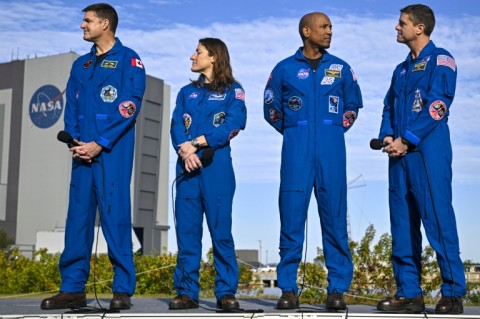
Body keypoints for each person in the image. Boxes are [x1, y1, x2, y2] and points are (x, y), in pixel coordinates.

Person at [41, 3, 146, 311]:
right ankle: (72, 288)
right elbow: (70, 107)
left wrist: (100, 142)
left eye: (87, 21)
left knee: (115, 217)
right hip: (81, 154)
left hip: (111, 153)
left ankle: (122, 290)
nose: (82, 26)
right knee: (78, 220)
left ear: (105, 23)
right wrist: (74, 141)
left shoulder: (129, 60)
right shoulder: (81, 65)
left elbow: (130, 106)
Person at [263, 12, 362, 311]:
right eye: (324, 26)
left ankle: (337, 290)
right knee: (291, 220)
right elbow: (271, 107)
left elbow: (353, 104)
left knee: (335, 220)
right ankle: (289, 290)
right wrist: (295, 131)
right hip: (296, 150)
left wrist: (330, 130)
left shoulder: (341, 68)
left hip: (332, 150)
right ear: (306, 31)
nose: (330, 31)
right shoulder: (284, 69)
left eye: (331, 26)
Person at [376, 4, 465, 315]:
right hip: (398, 155)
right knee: (402, 224)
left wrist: (408, 139)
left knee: (438, 220)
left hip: (427, 152)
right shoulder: (400, 70)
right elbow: (388, 106)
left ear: (420, 28)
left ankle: (453, 293)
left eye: (402, 23)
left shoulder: (442, 60)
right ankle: (409, 293)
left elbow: (438, 104)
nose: (396, 28)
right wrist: (388, 134)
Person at [169, 38, 247, 311]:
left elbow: (235, 123)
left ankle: (225, 293)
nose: (192, 56)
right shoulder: (185, 93)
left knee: (221, 233)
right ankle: (187, 292)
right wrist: (186, 152)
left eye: (198, 52)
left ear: (213, 57)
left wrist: (199, 142)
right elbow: (176, 125)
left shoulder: (232, 91)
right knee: (187, 235)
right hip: (187, 170)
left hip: (217, 170)